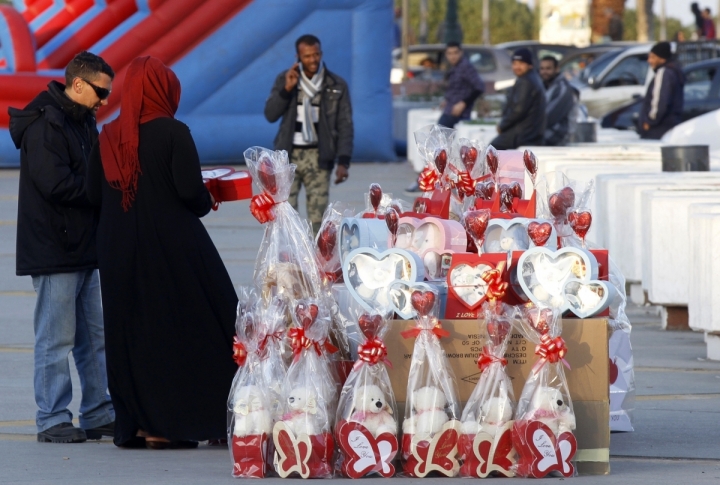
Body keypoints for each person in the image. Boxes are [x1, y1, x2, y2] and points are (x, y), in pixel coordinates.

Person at [87, 56, 238, 449]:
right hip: (171, 242)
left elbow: (92, 195)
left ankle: (138, 424)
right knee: (202, 319)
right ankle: (177, 423)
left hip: (117, 247)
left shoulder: (106, 135)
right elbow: (190, 192)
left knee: (131, 331)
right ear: (164, 92)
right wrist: (209, 198)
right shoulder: (173, 132)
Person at [8, 51, 116, 444]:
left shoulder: (82, 119)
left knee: (93, 337)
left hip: (83, 244)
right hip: (55, 248)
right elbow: (56, 185)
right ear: (78, 84)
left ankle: (97, 411)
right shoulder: (45, 124)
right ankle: (52, 417)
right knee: (56, 337)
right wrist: (103, 190)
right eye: (100, 92)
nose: (104, 101)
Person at [264, 34, 353, 235]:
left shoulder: (336, 85)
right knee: (286, 215)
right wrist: (286, 90)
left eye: (316, 54)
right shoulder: (285, 79)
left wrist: (343, 161)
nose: (313, 60)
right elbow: (270, 114)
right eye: (307, 56)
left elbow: (345, 124)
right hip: (289, 156)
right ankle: (289, 261)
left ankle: (316, 263)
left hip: (319, 157)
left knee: (318, 219)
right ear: (298, 57)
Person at [405, 42, 484, 194]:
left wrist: (463, 103)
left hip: (456, 115)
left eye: (455, 53)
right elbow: (458, 88)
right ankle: (428, 180)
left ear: (461, 53)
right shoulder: (456, 68)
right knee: (436, 148)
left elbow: (478, 87)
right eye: (449, 53)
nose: (452, 56)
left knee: (435, 148)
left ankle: (423, 180)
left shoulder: (466, 67)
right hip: (449, 110)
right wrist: (447, 100)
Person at [490, 48, 546, 150]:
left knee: (490, 151)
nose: (517, 67)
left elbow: (518, 110)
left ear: (530, 65)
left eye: (521, 63)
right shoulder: (532, 78)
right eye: (514, 63)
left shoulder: (526, 81)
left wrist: (502, 126)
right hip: (529, 132)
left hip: (523, 134)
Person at [639, 42, 685, 140]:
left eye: (652, 57)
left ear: (661, 58)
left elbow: (660, 101)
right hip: (669, 125)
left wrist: (649, 121)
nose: (649, 60)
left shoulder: (663, 72)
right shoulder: (674, 71)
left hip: (659, 128)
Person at [539, 56, 578, 146]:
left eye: (548, 68)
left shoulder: (563, 88)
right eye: (542, 68)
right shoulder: (545, 86)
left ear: (557, 69)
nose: (544, 72)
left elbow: (549, 116)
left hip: (560, 135)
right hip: (546, 131)